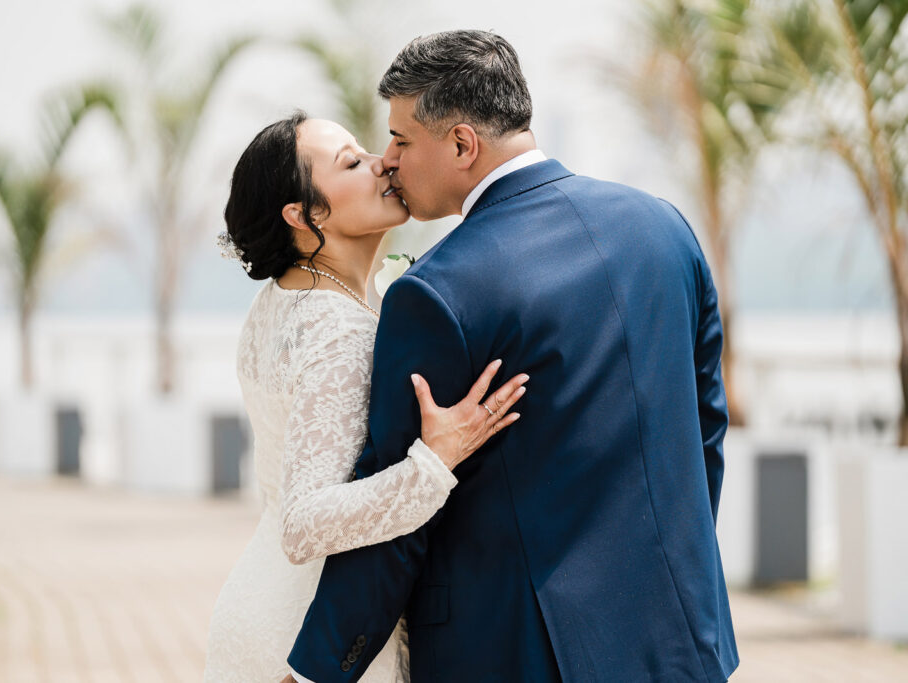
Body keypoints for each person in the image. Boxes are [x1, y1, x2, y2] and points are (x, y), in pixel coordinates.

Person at [285, 30, 738, 682]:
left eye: (402, 140)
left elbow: (398, 523)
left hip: (518, 656)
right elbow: (704, 429)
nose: (389, 161)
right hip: (682, 642)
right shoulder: (665, 228)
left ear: (462, 144)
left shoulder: (438, 293)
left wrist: (316, 670)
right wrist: (674, 571)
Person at [202, 111, 529, 682]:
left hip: (259, 602)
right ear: (305, 215)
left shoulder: (277, 304)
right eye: (351, 163)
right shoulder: (338, 331)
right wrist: (434, 462)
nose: (383, 163)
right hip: (310, 635)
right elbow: (303, 524)